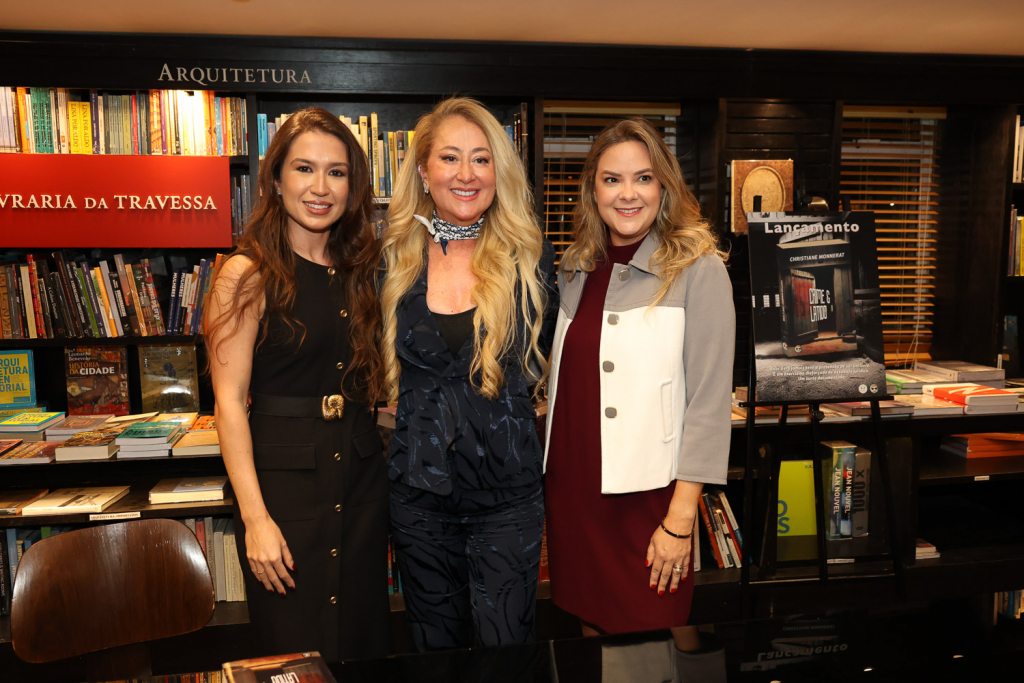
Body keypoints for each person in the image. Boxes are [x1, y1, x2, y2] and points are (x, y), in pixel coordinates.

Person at [205, 107, 390, 661]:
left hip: (359, 486)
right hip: (283, 495)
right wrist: (255, 520)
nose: (320, 187)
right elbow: (229, 404)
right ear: (276, 178)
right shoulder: (246, 273)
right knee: (292, 656)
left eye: (337, 172)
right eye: (304, 168)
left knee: (361, 646)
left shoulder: (361, 270)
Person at [543, 118, 735, 647]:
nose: (627, 194)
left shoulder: (700, 268)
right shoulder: (576, 265)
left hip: (650, 499)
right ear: (592, 190)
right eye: (611, 180)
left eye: (643, 178)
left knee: (658, 639)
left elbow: (709, 401)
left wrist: (680, 519)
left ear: (664, 186)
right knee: (593, 634)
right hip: (575, 491)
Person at [380, 97, 558, 651]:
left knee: (506, 655)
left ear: (498, 173)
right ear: (424, 171)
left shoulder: (532, 259)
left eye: (481, 160)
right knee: (435, 653)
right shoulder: (389, 259)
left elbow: (548, 364)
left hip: (507, 503)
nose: (466, 174)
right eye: (450, 158)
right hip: (418, 502)